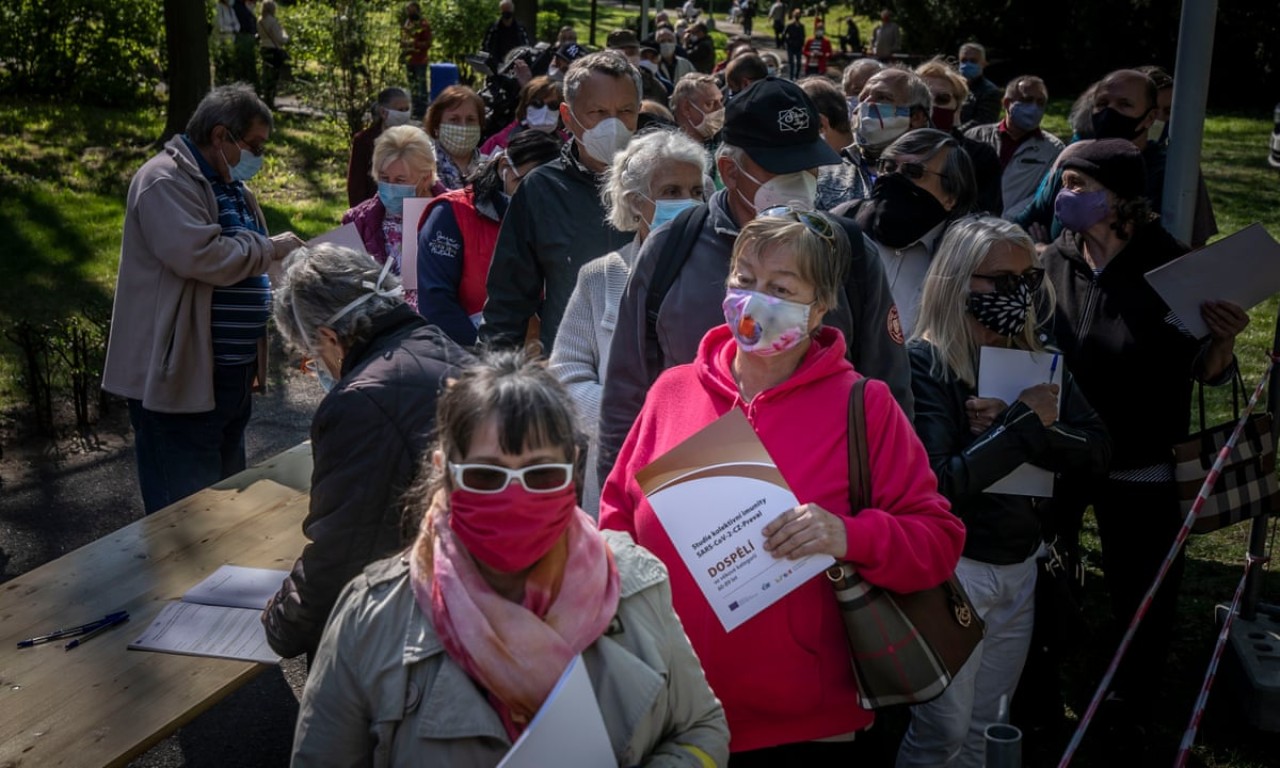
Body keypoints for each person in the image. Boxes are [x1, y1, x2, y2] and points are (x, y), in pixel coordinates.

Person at [599, 211, 964, 761]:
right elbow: (617, 515)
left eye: (779, 287)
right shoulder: (672, 391)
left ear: (818, 307)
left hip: (803, 728)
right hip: (670, 711)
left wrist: (846, 535)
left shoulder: (863, 405)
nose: (753, 299)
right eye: (743, 279)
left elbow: (937, 540)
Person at [292, 350, 731, 765]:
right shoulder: (371, 617)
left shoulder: (637, 583)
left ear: (573, 467)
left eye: (541, 474)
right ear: (446, 469)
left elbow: (702, 729)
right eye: (486, 475)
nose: (514, 497)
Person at [596, 77, 914, 487]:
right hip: (695, 497)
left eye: (809, 165)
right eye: (782, 168)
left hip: (817, 502)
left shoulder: (849, 252)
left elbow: (890, 391)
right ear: (729, 170)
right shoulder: (670, 249)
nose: (801, 180)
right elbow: (626, 396)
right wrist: (620, 523)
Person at [1039, 139, 1247, 745]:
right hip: (1060, 449)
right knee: (1046, 566)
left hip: (1139, 456)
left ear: (1121, 199)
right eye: (1062, 182)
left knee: (1142, 585)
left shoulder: (1173, 270)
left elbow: (1207, 371)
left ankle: (1133, 699)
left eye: (1078, 184)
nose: (1064, 196)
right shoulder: (1058, 256)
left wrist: (1224, 340)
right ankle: (1050, 668)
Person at [896, 216, 1110, 768]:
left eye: (1029, 277)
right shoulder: (926, 364)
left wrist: (1032, 431)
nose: (1020, 292)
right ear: (957, 281)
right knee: (942, 727)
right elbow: (940, 486)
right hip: (954, 571)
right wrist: (1020, 429)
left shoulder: (1037, 357)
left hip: (1020, 563)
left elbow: (1096, 452)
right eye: (1002, 278)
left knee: (990, 723)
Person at [103, 84, 305, 514]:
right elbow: (202, 256)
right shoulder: (162, 181)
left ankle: (222, 582)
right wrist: (269, 248)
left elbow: (246, 262)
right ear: (220, 136)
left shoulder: (230, 185)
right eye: (253, 145)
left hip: (229, 377)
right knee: (185, 517)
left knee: (227, 511)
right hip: (179, 378)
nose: (258, 156)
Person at [262, 244, 467, 661]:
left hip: (415, 629)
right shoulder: (436, 342)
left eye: (311, 358)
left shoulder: (360, 402)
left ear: (329, 338)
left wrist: (281, 624)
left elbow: (342, 553)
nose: (318, 368)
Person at [549, 130, 709, 515]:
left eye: (696, 190)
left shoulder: (724, 272)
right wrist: (636, 418)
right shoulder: (601, 276)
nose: (687, 202)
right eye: (671, 191)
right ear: (637, 201)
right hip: (621, 456)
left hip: (705, 456)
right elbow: (565, 374)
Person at [478, 51, 640, 353]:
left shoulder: (665, 185)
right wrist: (492, 384)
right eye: (599, 112)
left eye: (626, 111)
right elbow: (508, 302)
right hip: (571, 373)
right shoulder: (542, 189)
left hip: (648, 377)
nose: (614, 124)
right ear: (568, 116)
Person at [1013, 69, 1217, 247]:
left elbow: (1191, 248)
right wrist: (1040, 251)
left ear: (1149, 117)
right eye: (1102, 103)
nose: (1109, 112)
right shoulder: (1076, 159)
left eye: (1124, 104)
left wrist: (1050, 250)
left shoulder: (1172, 172)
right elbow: (1023, 224)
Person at [418, 130, 562, 347]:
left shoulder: (556, 219)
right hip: (464, 354)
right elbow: (436, 302)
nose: (538, 195)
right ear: (505, 166)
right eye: (529, 182)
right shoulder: (451, 214)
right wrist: (482, 358)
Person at [833, 128, 977, 338]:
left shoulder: (965, 257)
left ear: (951, 196)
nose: (894, 178)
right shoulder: (844, 221)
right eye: (888, 167)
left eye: (913, 172)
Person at [341, 125, 447, 313]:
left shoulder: (453, 213)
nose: (390, 187)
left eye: (400, 180)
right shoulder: (358, 220)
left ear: (425, 177)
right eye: (384, 178)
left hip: (439, 323)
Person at [964, 75, 1065, 218]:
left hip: (1014, 228)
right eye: (1027, 100)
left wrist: (1012, 220)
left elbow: (1044, 194)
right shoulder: (976, 136)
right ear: (1006, 103)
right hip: (970, 223)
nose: (1034, 107)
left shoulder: (1053, 149)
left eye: (1040, 102)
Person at [916, 57, 1003, 215]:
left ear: (957, 108)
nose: (932, 107)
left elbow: (986, 216)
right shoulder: (892, 151)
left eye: (942, 99)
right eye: (924, 99)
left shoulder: (980, 157)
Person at [842, 67, 933, 203]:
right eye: (862, 98)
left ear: (916, 117)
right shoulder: (833, 167)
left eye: (882, 98)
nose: (866, 104)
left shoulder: (937, 175)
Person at [346, 87, 413, 207]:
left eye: (406, 109)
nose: (404, 114)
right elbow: (356, 184)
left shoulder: (416, 139)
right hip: (374, 208)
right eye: (399, 110)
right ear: (383, 112)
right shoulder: (364, 140)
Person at [479, 76, 562, 155]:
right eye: (537, 103)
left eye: (553, 105)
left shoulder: (567, 143)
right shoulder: (500, 142)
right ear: (525, 106)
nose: (544, 110)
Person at [424, 85, 485, 190]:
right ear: (437, 124)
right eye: (454, 119)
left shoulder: (491, 169)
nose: (463, 127)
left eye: (470, 120)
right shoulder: (423, 167)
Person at [401, 1, 433, 120]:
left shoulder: (423, 24)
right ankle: (415, 110)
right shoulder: (407, 23)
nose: (409, 12)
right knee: (413, 86)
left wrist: (413, 44)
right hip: (409, 60)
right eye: (408, 10)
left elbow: (428, 43)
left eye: (411, 10)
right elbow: (403, 38)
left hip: (420, 60)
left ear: (417, 10)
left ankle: (423, 112)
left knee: (421, 87)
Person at [957, 43, 1001, 128]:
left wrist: (953, 133)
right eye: (964, 60)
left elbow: (982, 123)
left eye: (973, 61)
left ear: (983, 64)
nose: (967, 64)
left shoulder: (990, 92)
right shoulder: (953, 88)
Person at [480, 0, 530, 70]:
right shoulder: (493, 29)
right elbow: (485, 48)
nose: (507, 14)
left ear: (512, 11)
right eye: (504, 11)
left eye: (508, 10)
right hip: (496, 68)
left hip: (515, 68)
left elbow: (526, 47)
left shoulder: (520, 29)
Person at [256, 0, 289, 109]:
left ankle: (265, 98)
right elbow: (280, 39)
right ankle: (271, 100)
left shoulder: (260, 21)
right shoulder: (273, 21)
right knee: (274, 76)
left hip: (264, 48)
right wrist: (285, 35)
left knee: (266, 74)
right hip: (274, 49)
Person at [232, 0, 258, 87]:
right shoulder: (236, 6)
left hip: (248, 36)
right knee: (244, 64)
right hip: (243, 36)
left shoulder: (244, 5)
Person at [213, 0, 240, 85]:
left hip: (232, 40)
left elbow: (237, 24)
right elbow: (220, 26)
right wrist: (232, 29)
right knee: (222, 65)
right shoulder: (218, 8)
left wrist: (235, 28)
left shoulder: (231, 9)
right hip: (222, 41)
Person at [782, 11, 806, 80]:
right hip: (791, 46)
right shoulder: (789, 25)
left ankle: (797, 76)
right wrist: (787, 42)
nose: (797, 17)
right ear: (793, 15)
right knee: (791, 63)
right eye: (796, 15)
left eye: (799, 15)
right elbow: (784, 34)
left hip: (798, 46)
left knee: (799, 63)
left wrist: (802, 44)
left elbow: (803, 35)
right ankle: (791, 77)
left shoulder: (801, 26)